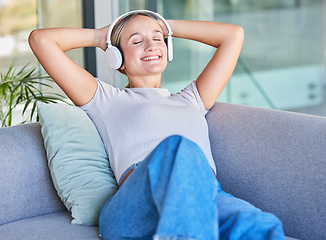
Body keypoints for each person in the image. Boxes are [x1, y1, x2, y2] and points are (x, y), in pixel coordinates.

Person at [29, 10, 285, 240]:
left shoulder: (192, 99)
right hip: (135, 204)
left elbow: (233, 35)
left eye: (158, 38)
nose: (151, 45)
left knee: (259, 225)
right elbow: (41, 41)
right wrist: (103, 35)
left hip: (207, 194)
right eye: (137, 41)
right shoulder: (106, 100)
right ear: (117, 58)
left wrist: (164, 25)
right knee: (177, 149)